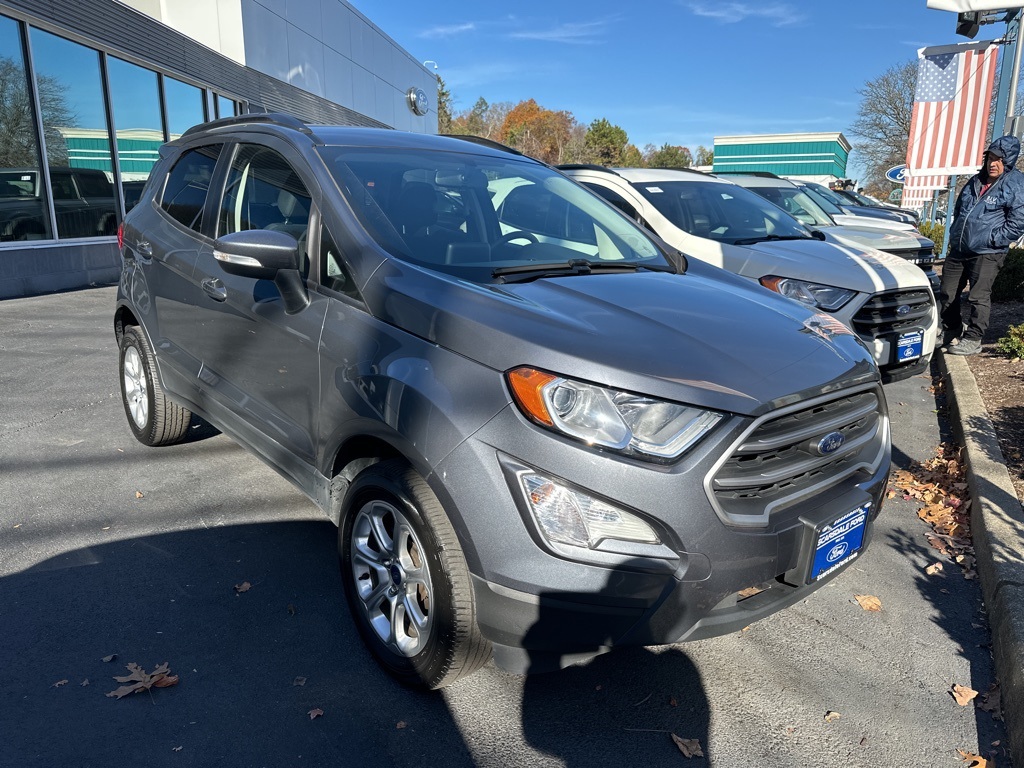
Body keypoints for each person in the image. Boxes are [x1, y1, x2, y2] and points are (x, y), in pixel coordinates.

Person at [940, 135, 1024, 355]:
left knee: (978, 296)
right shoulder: (975, 181)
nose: (992, 163)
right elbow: (960, 210)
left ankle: (974, 338)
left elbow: (1018, 221)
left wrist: (994, 239)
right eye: (990, 158)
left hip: (988, 252)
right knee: (947, 293)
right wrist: (955, 232)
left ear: (1009, 161)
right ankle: (953, 329)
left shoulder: (1016, 184)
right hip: (960, 248)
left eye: (999, 159)